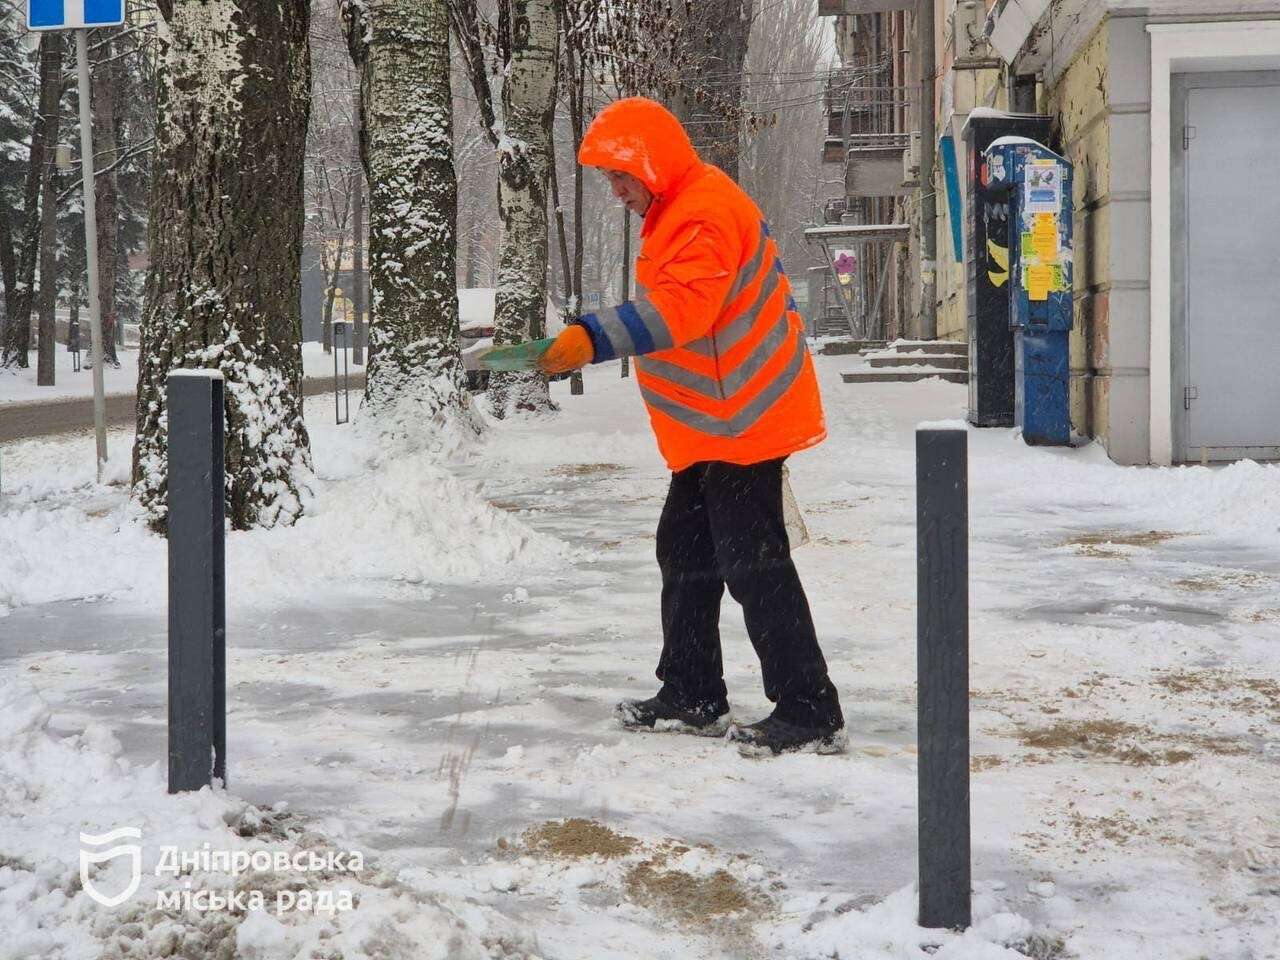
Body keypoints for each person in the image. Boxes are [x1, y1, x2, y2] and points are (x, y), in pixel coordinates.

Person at [538, 97, 845, 757]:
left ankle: (809, 707)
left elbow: (682, 311)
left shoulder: (702, 212)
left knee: (753, 566)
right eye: (610, 181)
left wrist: (591, 338)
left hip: (745, 419)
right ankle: (692, 692)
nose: (617, 192)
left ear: (652, 163)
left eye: (623, 177)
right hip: (718, 423)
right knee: (686, 553)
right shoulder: (680, 210)